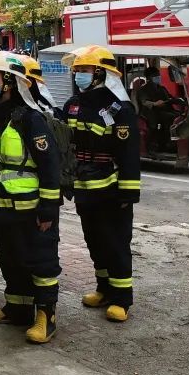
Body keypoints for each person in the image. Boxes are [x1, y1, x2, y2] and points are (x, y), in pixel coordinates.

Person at [0, 51, 61, 344]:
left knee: (40, 260)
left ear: (10, 81)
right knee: (10, 257)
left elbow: (50, 164)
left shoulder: (31, 117)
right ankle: (18, 307)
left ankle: (45, 316)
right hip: (1, 200)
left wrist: (49, 207)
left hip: (32, 205)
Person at [63, 45, 141, 323]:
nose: (78, 75)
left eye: (83, 70)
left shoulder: (119, 107)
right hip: (85, 186)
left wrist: (128, 190)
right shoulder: (73, 103)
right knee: (94, 240)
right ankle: (104, 289)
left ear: (100, 73)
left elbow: (129, 152)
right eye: (76, 70)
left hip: (110, 187)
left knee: (115, 241)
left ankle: (122, 298)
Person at [139, 66, 177, 152]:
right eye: (155, 75)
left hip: (165, 110)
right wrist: (155, 104)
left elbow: (170, 98)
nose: (158, 77)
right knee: (170, 117)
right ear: (149, 77)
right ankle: (165, 144)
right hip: (152, 113)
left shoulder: (162, 88)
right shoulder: (143, 90)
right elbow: (144, 102)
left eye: (158, 75)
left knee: (179, 116)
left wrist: (178, 100)